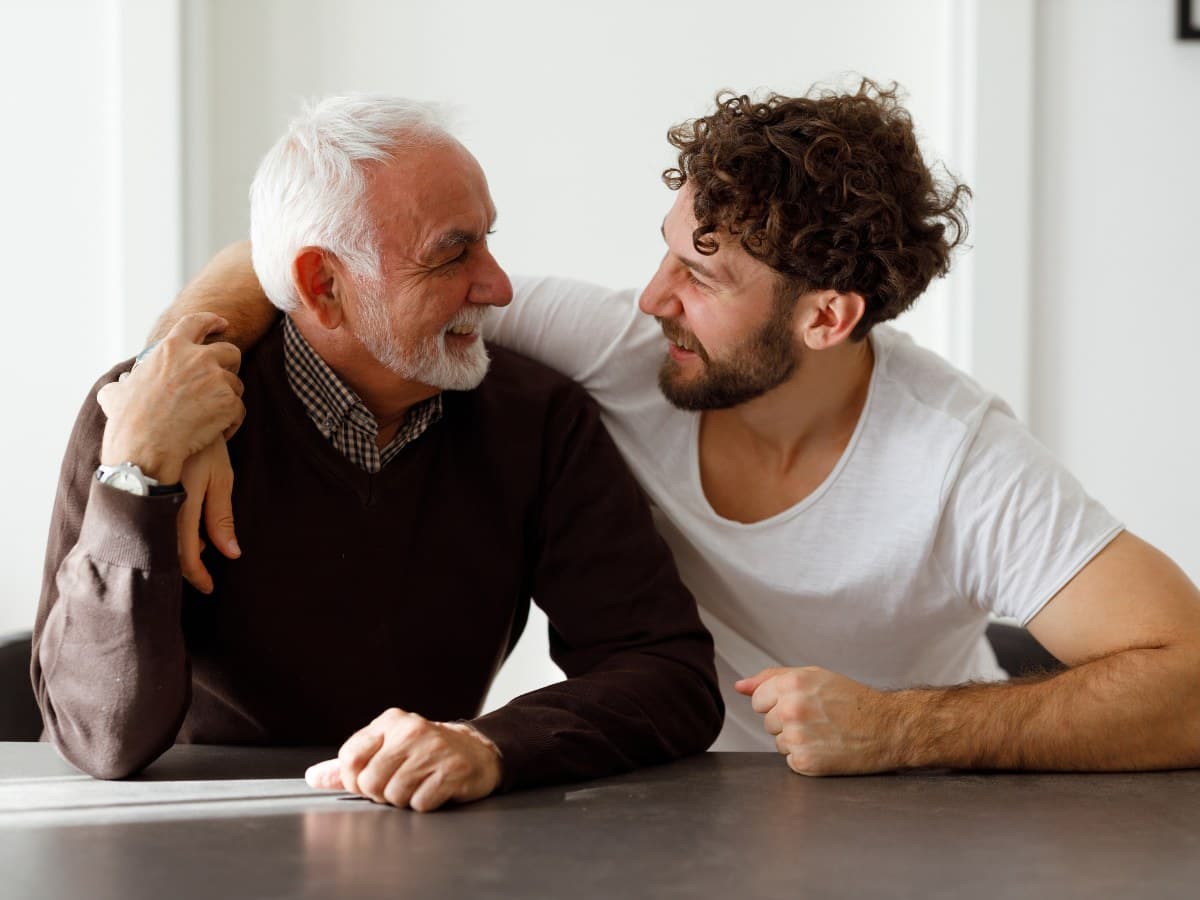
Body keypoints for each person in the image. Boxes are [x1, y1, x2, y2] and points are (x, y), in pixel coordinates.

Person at [136, 81, 1200, 775]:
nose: (652, 297)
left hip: (905, 822)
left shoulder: (959, 461)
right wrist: (183, 389)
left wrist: (902, 728)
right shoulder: (620, 347)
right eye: (667, 250)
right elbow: (300, 260)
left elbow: (1188, 675)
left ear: (826, 318)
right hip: (662, 803)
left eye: (701, 274)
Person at [31, 95, 723, 810]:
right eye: (453, 254)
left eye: (488, 240)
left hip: (431, 832)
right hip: (198, 835)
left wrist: (490, 745)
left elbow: (666, 670)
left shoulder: (538, 419)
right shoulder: (143, 416)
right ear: (322, 285)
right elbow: (100, 740)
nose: (499, 286)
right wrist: (136, 480)